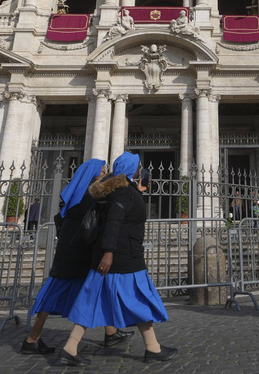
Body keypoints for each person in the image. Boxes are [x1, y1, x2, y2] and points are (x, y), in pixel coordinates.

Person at [66, 152, 176, 364]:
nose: (140, 169)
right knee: (139, 300)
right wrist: (108, 252)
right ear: (131, 169)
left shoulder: (121, 191)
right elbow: (113, 223)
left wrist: (137, 192)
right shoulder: (124, 193)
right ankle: (153, 348)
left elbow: (123, 217)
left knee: (91, 301)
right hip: (122, 257)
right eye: (138, 166)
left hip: (119, 256)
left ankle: (70, 347)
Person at [22, 159, 133, 356]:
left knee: (97, 289)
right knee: (56, 294)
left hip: (74, 252)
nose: (103, 173)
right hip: (74, 254)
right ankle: (32, 339)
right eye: (101, 170)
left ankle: (111, 332)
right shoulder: (88, 196)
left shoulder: (77, 195)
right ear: (92, 173)